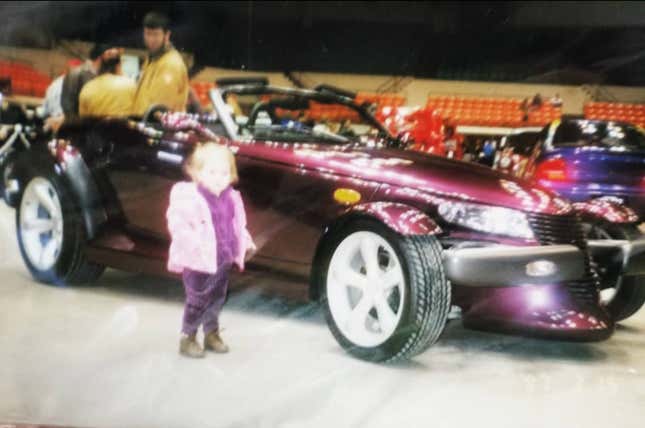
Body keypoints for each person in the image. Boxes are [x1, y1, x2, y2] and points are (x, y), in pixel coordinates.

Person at [166, 142, 256, 358]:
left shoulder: (231, 198)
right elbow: (177, 224)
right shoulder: (189, 197)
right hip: (198, 261)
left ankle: (211, 333)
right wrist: (193, 245)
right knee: (197, 299)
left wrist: (246, 241)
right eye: (212, 172)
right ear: (197, 173)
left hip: (222, 259)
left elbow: (237, 225)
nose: (218, 177)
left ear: (231, 175)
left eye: (224, 173)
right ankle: (187, 336)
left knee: (216, 298)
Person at [132, 11, 189, 116]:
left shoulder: (171, 64)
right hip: (144, 124)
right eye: (148, 34)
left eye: (155, 35)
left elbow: (159, 109)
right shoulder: (152, 59)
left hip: (158, 127)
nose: (151, 40)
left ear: (166, 35)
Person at [61, 44, 111, 120]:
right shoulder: (76, 74)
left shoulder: (102, 75)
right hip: (81, 127)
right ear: (101, 56)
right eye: (109, 55)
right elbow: (68, 105)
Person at [78, 52, 136, 117]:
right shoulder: (131, 84)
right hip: (125, 126)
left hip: (98, 126)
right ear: (118, 65)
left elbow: (83, 118)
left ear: (99, 66)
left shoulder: (87, 88)